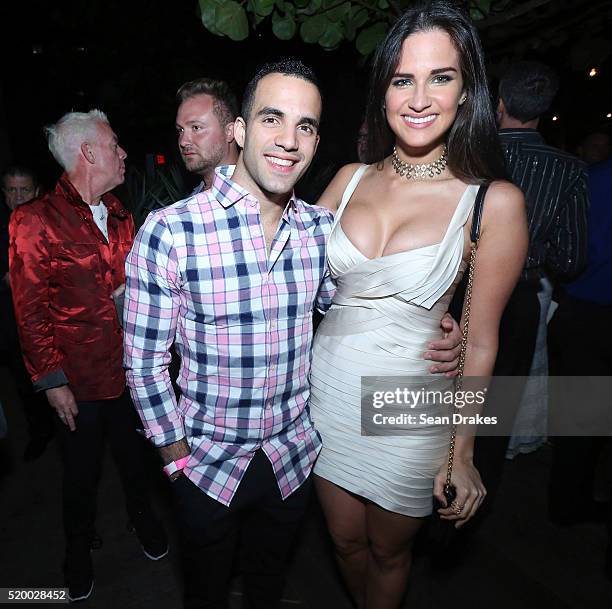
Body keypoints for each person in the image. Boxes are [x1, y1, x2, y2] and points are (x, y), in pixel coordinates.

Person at [123, 58, 461, 609]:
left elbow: (345, 303)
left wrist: (435, 321)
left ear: (317, 139)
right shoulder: (172, 232)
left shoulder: (319, 230)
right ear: (240, 130)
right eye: (272, 119)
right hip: (207, 465)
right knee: (206, 592)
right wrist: (176, 459)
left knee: (268, 584)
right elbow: (143, 365)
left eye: (305, 125)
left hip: (293, 460)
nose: (288, 140)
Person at [308, 2, 528, 608]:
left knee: (389, 550)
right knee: (344, 541)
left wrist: (464, 454)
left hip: (408, 404)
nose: (419, 97)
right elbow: (285, 278)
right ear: (383, 92)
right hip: (323, 394)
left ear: (466, 92)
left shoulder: (493, 201)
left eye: (442, 76)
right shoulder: (347, 179)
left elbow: (482, 340)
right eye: (403, 79)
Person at [9, 110, 167, 602]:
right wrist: (51, 381)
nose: (124, 153)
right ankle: (76, 552)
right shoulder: (33, 220)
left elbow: (128, 289)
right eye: (115, 145)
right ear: (89, 153)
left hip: (130, 373)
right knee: (80, 475)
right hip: (78, 384)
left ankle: (142, 522)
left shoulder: (120, 212)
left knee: (136, 462)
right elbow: (29, 308)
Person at [486, 61, 589, 475]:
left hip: (457, 293)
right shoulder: (569, 170)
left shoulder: (468, 153)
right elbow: (571, 259)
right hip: (520, 299)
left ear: (500, 103)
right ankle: (475, 496)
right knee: (499, 405)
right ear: (544, 109)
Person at [547, 157, 612, 575]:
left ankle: (567, 503)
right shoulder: (590, 177)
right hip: (592, 312)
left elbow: (567, 250)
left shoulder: (592, 177)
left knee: (580, 424)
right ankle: (569, 503)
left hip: (586, 315)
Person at [1, 165, 55, 460]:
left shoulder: (49, 219)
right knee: (24, 385)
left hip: (51, 324)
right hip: (12, 325)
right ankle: (40, 432)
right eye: (11, 190)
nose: (18, 196)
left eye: (24, 189)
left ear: (36, 191)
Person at [175, 77, 239, 193]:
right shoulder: (196, 194)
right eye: (180, 130)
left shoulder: (253, 197)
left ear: (230, 131)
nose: (183, 141)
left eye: (196, 128)